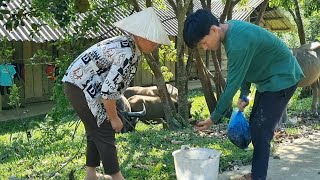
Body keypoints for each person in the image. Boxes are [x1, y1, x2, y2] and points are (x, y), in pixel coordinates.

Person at [183, 9, 304, 180]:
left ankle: (258, 177)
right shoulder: (230, 31)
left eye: (203, 43)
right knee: (256, 125)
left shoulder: (237, 42)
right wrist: (245, 94)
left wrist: (213, 118)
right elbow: (247, 65)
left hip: (282, 77)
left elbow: (232, 84)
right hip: (268, 80)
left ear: (214, 30)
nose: (205, 48)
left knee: (261, 130)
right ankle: (257, 174)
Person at [62, 7, 171, 180]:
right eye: (154, 40)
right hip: (80, 86)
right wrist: (113, 118)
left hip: (80, 85)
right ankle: (117, 177)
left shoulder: (129, 45)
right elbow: (108, 92)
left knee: (95, 129)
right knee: (104, 128)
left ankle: (91, 175)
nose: (156, 44)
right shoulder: (127, 52)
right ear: (141, 35)